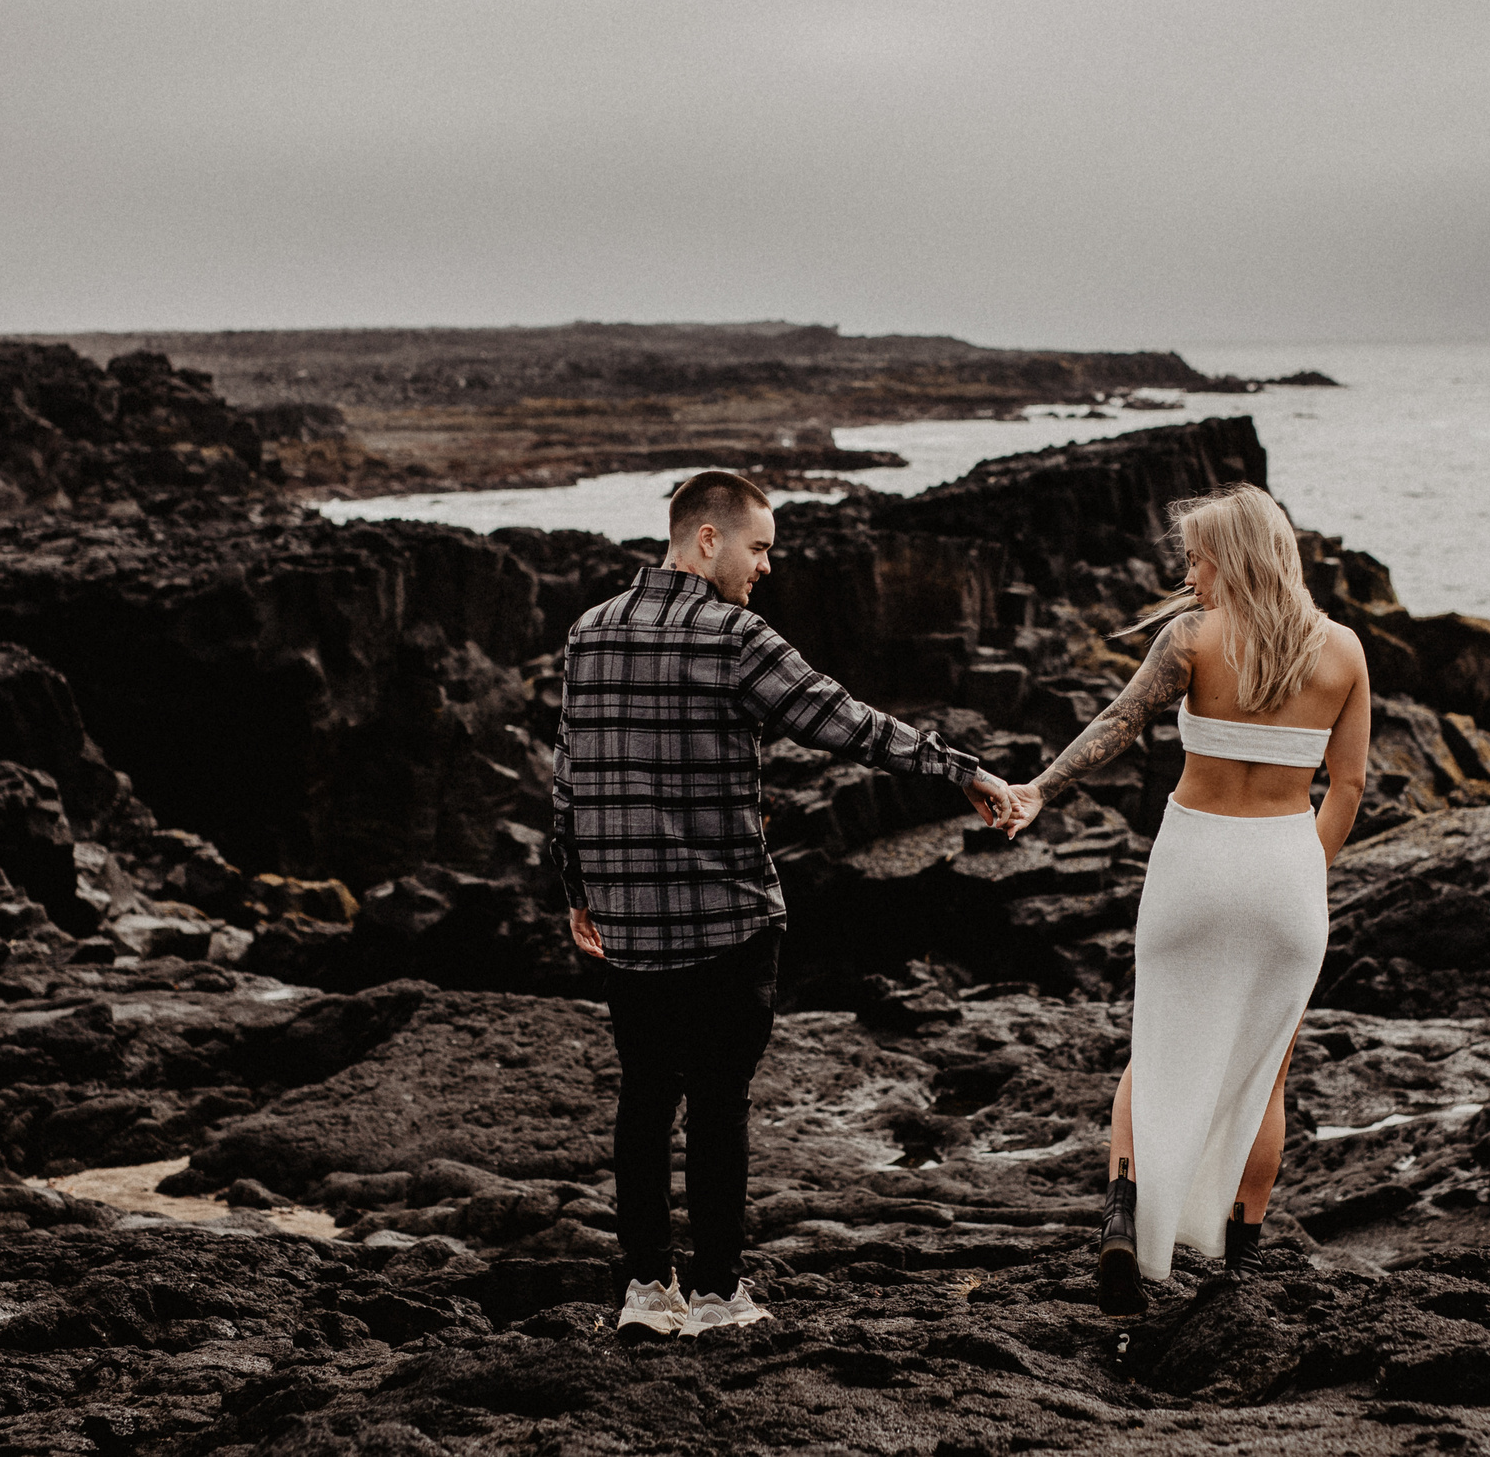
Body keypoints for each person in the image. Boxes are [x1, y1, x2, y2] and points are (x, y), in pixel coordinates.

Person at [554, 469, 1014, 1340]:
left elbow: (569, 773)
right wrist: (961, 769)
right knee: (721, 1100)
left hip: (630, 918)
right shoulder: (735, 637)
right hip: (728, 914)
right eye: (758, 547)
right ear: (706, 539)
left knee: (646, 1095)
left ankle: (647, 1291)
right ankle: (723, 1292)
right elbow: (847, 721)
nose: (766, 566)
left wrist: (577, 888)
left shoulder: (589, 631)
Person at [994, 483, 1369, 1316]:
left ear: (1232, 556)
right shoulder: (1342, 648)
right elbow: (1347, 786)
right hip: (1285, 872)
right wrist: (1302, 868)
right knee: (1267, 1073)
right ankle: (1245, 1253)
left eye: (1197, 556)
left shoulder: (1194, 638)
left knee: (1156, 1047)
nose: (1189, 573)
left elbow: (1119, 723)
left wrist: (1040, 790)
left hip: (1196, 862)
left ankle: (1123, 1221)